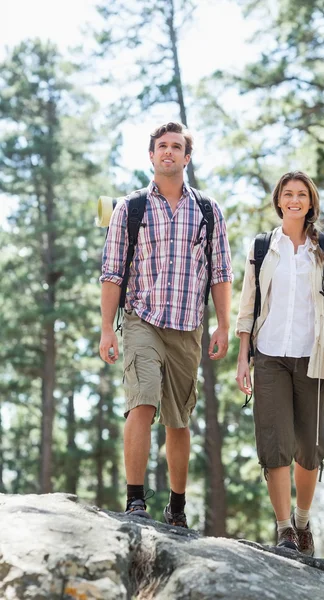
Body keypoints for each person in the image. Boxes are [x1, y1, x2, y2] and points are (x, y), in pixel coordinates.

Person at [99, 122, 233, 527]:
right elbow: (111, 272)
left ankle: (176, 507)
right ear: (152, 156)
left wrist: (223, 325)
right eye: (162, 147)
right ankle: (135, 500)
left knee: (178, 421)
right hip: (143, 319)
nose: (169, 152)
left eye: (177, 147)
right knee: (141, 402)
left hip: (188, 326)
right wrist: (107, 327)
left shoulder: (208, 211)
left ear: (187, 157)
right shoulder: (130, 207)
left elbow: (221, 273)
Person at [235, 171, 324, 556]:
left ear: (310, 201)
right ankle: (285, 528)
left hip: (314, 358)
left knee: (310, 446)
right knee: (275, 443)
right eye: (288, 194)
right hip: (269, 356)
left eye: (302, 194)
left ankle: (303, 520)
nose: (295, 200)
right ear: (279, 201)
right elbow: (248, 304)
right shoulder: (263, 247)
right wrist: (243, 359)